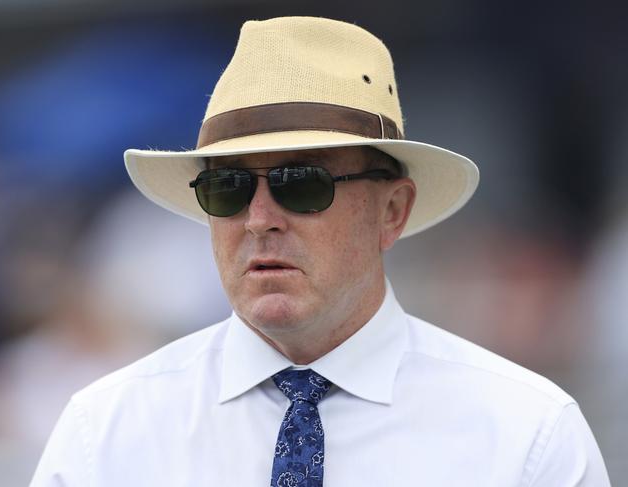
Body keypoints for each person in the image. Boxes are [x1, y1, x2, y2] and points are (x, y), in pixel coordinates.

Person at [31, 16, 610, 486]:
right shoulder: (105, 432)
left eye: (301, 183)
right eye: (226, 188)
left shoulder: (524, 436)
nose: (259, 220)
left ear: (392, 211)